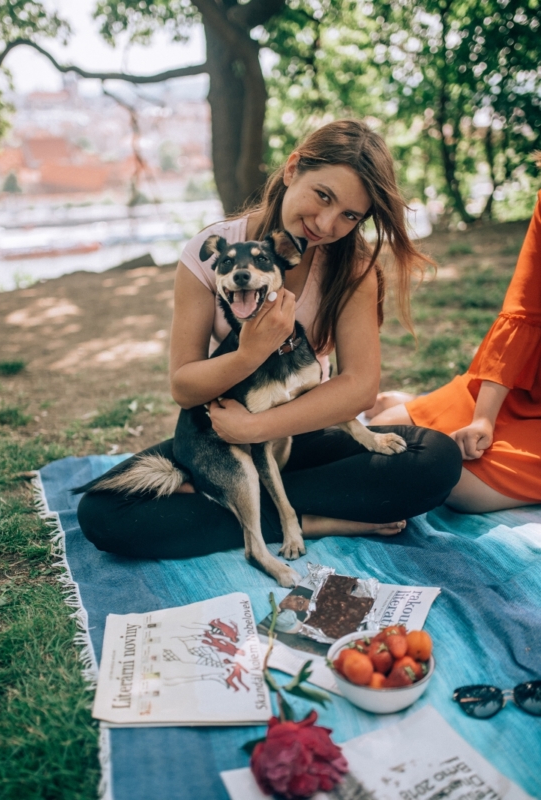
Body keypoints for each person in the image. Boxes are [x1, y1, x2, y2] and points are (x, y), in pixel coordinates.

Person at [77, 119, 462, 560]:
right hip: (220, 443)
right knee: (103, 511)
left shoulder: (352, 268)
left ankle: (259, 510)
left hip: (301, 432)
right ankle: (304, 518)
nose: (326, 223)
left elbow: (359, 386)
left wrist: (258, 426)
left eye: (350, 215)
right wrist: (251, 352)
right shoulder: (212, 254)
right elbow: (184, 387)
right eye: (323, 196)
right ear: (293, 168)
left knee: (435, 459)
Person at [369, 190, 541, 514]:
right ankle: (421, 400)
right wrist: (484, 420)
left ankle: (419, 398)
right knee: (383, 431)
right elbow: (525, 313)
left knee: (453, 484)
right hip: (526, 384)